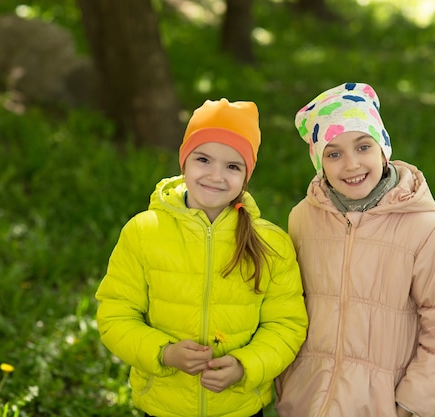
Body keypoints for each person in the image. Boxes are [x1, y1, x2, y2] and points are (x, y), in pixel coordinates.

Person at [95, 98, 309, 417]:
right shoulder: (143, 232)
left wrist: (244, 366)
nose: (215, 176)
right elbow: (115, 315)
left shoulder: (271, 243)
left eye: (232, 166)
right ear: (184, 162)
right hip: (164, 405)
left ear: (246, 176)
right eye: (203, 159)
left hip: (239, 407)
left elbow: (286, 324)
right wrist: (165, 354)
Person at [275, 82, 435, 417]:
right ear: (319, 163)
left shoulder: (426, 230)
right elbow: (287, 305)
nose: (351, 164)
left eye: (363, 146)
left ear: (383, 148)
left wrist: (409, 404)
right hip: (305, 401)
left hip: (380, 405)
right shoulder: (303, 220)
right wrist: (287, 384)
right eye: (334, 153)